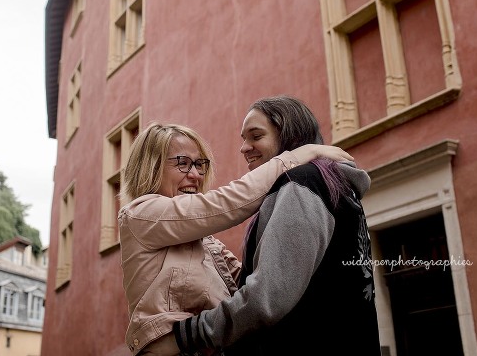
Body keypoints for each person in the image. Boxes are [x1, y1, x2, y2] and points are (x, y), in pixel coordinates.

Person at [118, 121, 353, 356]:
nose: (195, 175)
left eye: (200, 164)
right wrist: (301, 154)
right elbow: (227, 202)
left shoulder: (205, 241)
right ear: (150, 166)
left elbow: (250, 282)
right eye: (182, 163)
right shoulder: (140, 215)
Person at [172, 96, 381, 355]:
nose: (244, 148)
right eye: (243, 139)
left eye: (256, 136)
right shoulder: (333, 189)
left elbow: (265, 299)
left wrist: (188, 334)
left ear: (290, 135)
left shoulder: (302, 185)